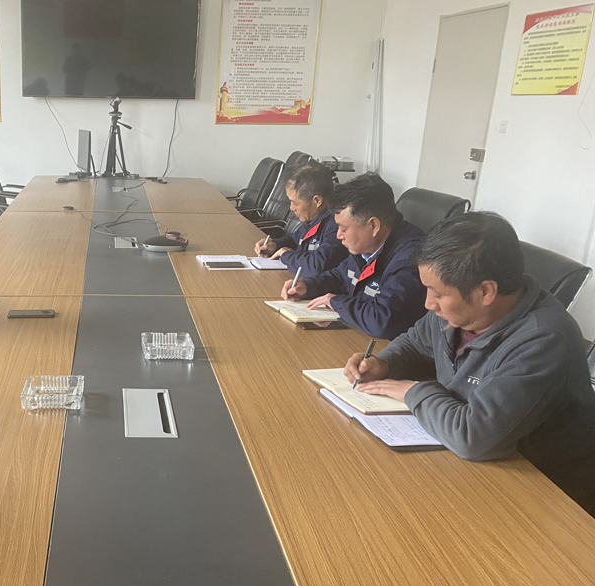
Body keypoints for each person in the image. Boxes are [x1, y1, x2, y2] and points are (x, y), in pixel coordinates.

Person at [346, 212, 595, 512]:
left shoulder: (544, 339)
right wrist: (383, 363)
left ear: (485, 291)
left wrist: (411, 391)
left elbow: (473, 436)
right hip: (469, 468)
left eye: (437, 293)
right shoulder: (457, 311)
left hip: (545, 497)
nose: (428, 303)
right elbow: (415, 343)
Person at [281, 172, 426, 340]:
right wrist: (307, 287)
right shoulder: (369, 244)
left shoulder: (410, 259)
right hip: (357, 337)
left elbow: (380, 321)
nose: (338, 235)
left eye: (344, 229)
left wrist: (335, 302)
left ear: (373, 225)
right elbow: (340, 276)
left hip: (387, 348)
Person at [254, 162, 347, 276]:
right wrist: (275, 245)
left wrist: (286, 255)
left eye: (295, 202)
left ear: (317, 201)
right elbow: (295, 239)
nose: (291, 208)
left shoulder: (338, 225)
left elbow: (318, 266)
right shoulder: (314, 217)